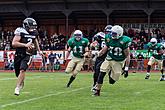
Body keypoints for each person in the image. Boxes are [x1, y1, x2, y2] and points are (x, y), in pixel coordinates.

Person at [93, 25, 132, 96]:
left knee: (112, 81)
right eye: (112, 33)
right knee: (101, 72)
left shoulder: (124, 41)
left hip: (118, 61)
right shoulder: (108, 38)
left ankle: (111, 73)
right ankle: (97, 91)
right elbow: (105, 49)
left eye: (114, 34)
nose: (112, 35)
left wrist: (126, 68)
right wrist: (98, 54)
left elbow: (127, 55)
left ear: (119, 34)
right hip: (109, 58)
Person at [12, 17, 42, 96]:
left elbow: (35, 40)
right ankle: (21, 82)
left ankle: (17, 87)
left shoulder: (34, 32)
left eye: (33, 27)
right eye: (30, 27)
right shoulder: (20, 31)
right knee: (18, 73)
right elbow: (14, 43)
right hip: (19, 54)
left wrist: (39, 51)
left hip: (28, 54)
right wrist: (25, 45)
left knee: (23, 70)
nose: (32, 29)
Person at [91, 25, 112, 92]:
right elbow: (94, 43)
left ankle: (110, 77)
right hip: (100, 56)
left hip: (109, 56)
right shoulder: (100, 36)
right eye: (107, 32)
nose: (108, 33)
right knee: (97, 71)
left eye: (110, 32)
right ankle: (95, 84)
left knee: (109, 75)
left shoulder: (115, 38)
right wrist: (94, 45)